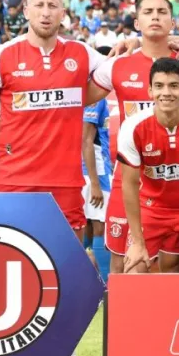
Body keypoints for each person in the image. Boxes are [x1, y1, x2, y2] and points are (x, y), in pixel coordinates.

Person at [0, 0, 107, 356]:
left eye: (54, 5)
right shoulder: (2, 55)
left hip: (64, 186)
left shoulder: (82, 54)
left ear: (65, 12)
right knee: (8, 267)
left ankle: (64, 355)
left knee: (63, 271)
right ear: (25, 9)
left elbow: (113, 78)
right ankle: (8, 351)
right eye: (39, 5)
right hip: (12, 182)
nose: (46, 12)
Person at [88, 0, 179, 274]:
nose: (155, 16)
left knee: (175, 262)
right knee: (124, 259)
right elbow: (80, 95)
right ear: (136, 22)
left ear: (172, 22)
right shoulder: (119, 63)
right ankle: (121, 317)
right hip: (130, 176)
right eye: (148, 12)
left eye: (162, 12)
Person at [116, 58, 179, 274]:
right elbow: (130, 185)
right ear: (150, 91)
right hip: (151, 209)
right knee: (133, 270)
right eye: (159, 86)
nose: (166, 93)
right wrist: (137, 241)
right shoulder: (132, 127)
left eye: (173, 86)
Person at [82, 95, 111, 281]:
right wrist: (94, 183)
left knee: (89, 226)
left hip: (90, 170)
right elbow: (87, 140)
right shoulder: (95, 97)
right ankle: (107, 285)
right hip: (96, 172)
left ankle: (84, 280)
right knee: (101, 227)